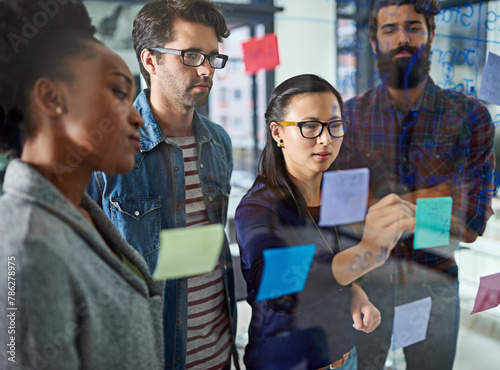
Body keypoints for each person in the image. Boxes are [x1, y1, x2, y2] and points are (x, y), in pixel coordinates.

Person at [0, 0, 164, 368]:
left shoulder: (78, 213)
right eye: (120, 93)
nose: (137, 117)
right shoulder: (25, 248)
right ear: (52, 98)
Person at [335, 1, 497, 369]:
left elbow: (471, 223)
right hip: (365, 284)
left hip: (433, 285)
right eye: (389, 29)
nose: (402, 39)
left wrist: (379, 207)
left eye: (413, 27)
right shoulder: (349, 117)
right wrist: (439, 198)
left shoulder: (470, 117)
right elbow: (340, 217)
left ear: (431, 35)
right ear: (374, 41)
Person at [86, 0, 238, 368]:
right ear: (150, 61)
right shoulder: (104, 148)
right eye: (190, 55)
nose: (206, 69)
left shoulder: (219, 142)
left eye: (212, 57)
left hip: (220, 354)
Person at [234, 74, 416, 370]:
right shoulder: (258, 207)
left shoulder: (336, 191)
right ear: (277, 132)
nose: (326, 139)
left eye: (334, 125)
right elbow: (280, 288)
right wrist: (368, 252)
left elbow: (331, 264)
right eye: (309, 126)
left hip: (345, 358)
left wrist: (354, 291)